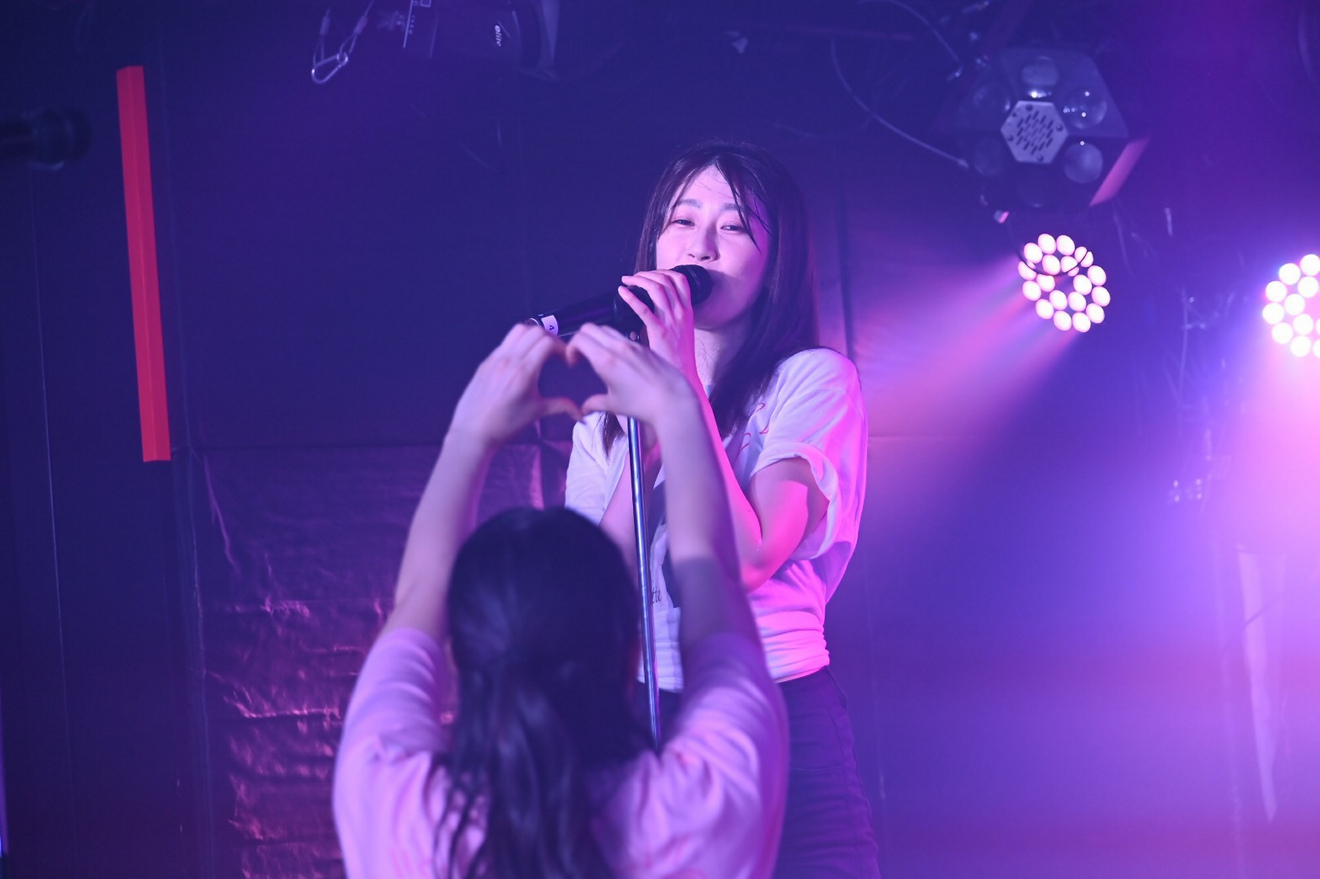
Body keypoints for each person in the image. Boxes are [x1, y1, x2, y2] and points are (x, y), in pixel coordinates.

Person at [333, 322, 788, 878]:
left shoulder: (394, 807)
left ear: (457, 654)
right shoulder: (706, 805)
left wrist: (468, 436)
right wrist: (679, 407)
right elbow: (714, 572)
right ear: (630, 651)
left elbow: (419, 595)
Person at [565, 141, 879, 877]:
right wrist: (645, 429)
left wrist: (679, 386)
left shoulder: (812, 380)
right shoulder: (605, 419)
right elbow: (592, 592)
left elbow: (747, 558)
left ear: (776, 262)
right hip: (643, 714)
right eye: (682, 220)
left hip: (777, 707)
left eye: (733, 227)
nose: (699, 246)